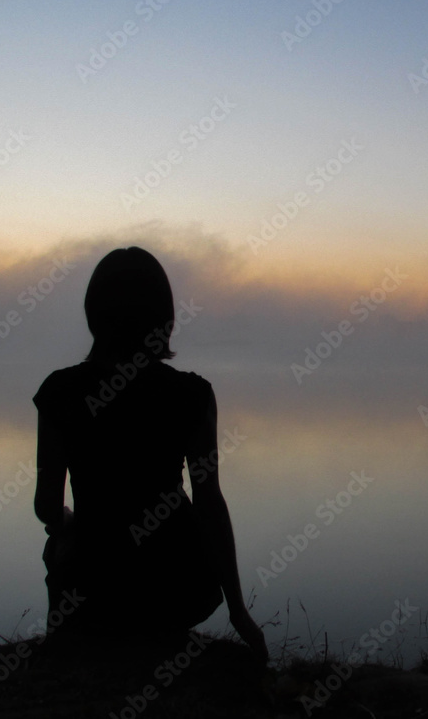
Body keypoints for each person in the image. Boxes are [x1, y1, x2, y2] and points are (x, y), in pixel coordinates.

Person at [32, 246, 268, 663]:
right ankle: (153, 636)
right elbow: (208, 500)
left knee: (62, 543)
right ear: (164, 315)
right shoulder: (191, 395)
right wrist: (237, 609)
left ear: (94, 313)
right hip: (175, 579)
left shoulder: (60, 391)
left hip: (93, 576)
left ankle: (79, 639)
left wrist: (70, 522)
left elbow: (47, 506)